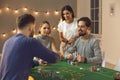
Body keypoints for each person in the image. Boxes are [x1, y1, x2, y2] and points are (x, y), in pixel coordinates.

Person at [0, 14, 59, 80]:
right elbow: (52, 58)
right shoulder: (30, 41)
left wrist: (37, 62)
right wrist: (58, 56)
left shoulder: (7, 42)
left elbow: (20, 61)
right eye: (34, 27)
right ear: (30, 27)